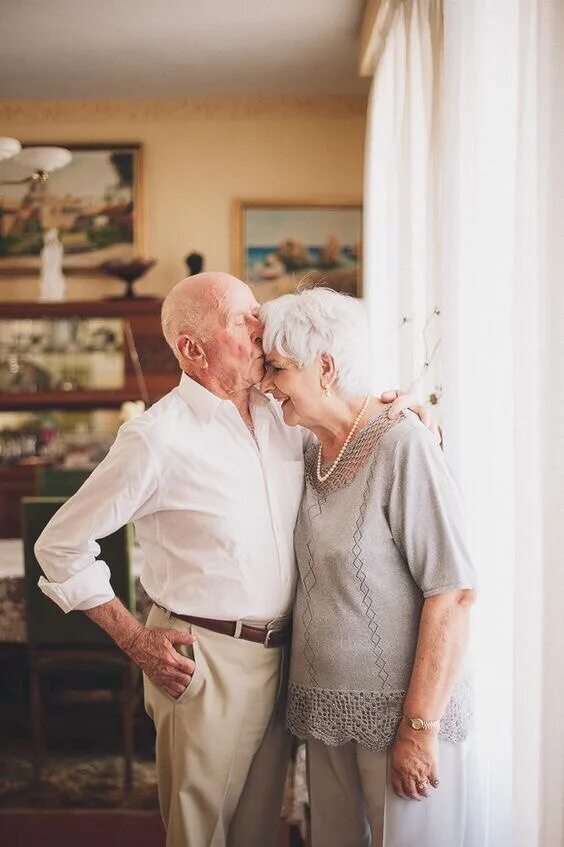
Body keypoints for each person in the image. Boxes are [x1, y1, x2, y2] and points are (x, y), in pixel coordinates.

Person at [34, 272, 438, 847]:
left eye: (257, 313)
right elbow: (59, 546)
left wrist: (405, 408)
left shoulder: (282, 414)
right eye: (241, 320)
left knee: (257, 832)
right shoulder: (155, 439)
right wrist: (134, 638)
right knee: (202, 835)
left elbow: (347, 423)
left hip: (287, 661)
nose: (260, 329)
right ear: (192, 349)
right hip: (204, 662)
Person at [260, 287, 478, 847]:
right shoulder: (308, 452)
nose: (265, 383)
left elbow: (452, 593)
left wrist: (418, 728)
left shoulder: (404, 445)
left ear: (325, 367)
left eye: (277, 368)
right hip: (327, 713)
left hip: (400, 719)